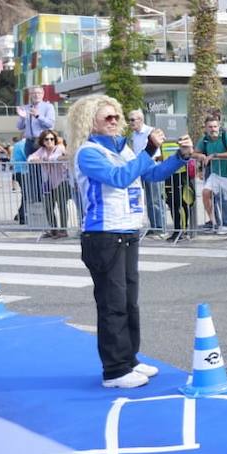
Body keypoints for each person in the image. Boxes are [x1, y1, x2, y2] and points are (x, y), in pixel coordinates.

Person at [69, 94, 190, 389]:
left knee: (129, 302)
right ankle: (114, 369)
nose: (114, 121)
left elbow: (153, 174)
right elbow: (119, 178)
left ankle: (129, 359)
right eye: (107, 117)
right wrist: (148, 150)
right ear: (90, 121)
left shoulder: (123, 149)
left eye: (116, 116)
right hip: (103, 233)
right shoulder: (88, 152)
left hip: (127, 230)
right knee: (112, 304)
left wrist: (180, 157)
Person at [194, 115, 227, 240]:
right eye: (210, 127)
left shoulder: (226, 136)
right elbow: (194, 152)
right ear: (206, 128)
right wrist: (200, 155)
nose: (213, 129)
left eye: (215, 126)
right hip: (215, 173)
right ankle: (215, 222)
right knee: (205, 193)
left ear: (219, 126)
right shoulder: (204, 140)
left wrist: (214, 155)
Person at [127, 110, 165, 235]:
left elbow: (156, 152)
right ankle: (153, 226)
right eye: (129, 120)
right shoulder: (133, 135)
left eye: (133, 120)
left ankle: (160, 227)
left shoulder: (151, 131)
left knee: (155, 199)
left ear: (141, 120)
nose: (130, 122)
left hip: (151, 167)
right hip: (139, 169)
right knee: (147, 199)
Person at [28, 129, 72, 238]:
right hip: (48, 182)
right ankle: (53, 229)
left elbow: (61, 157)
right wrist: (39, 160)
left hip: (61, 181)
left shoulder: (59, 148)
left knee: (62, 205)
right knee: (48, 206)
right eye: (46, 139)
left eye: (52, 139)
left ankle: (63, 230)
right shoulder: (42, 150)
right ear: (42, 141)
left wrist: (50, 159)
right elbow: (30, 158)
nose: (49, 141)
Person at [16, 86, 56, 155]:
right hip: (29, 141)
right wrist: (22, 118)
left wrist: (38, 116)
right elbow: (19, 127)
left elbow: (50, 124)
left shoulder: (48, 107)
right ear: (30, 95)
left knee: (42, 164)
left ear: (43, 94)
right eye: (33, 93)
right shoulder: (26, 108)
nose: (36, 95)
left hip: (42, 140)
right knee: (30, 164)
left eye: (38, 93)